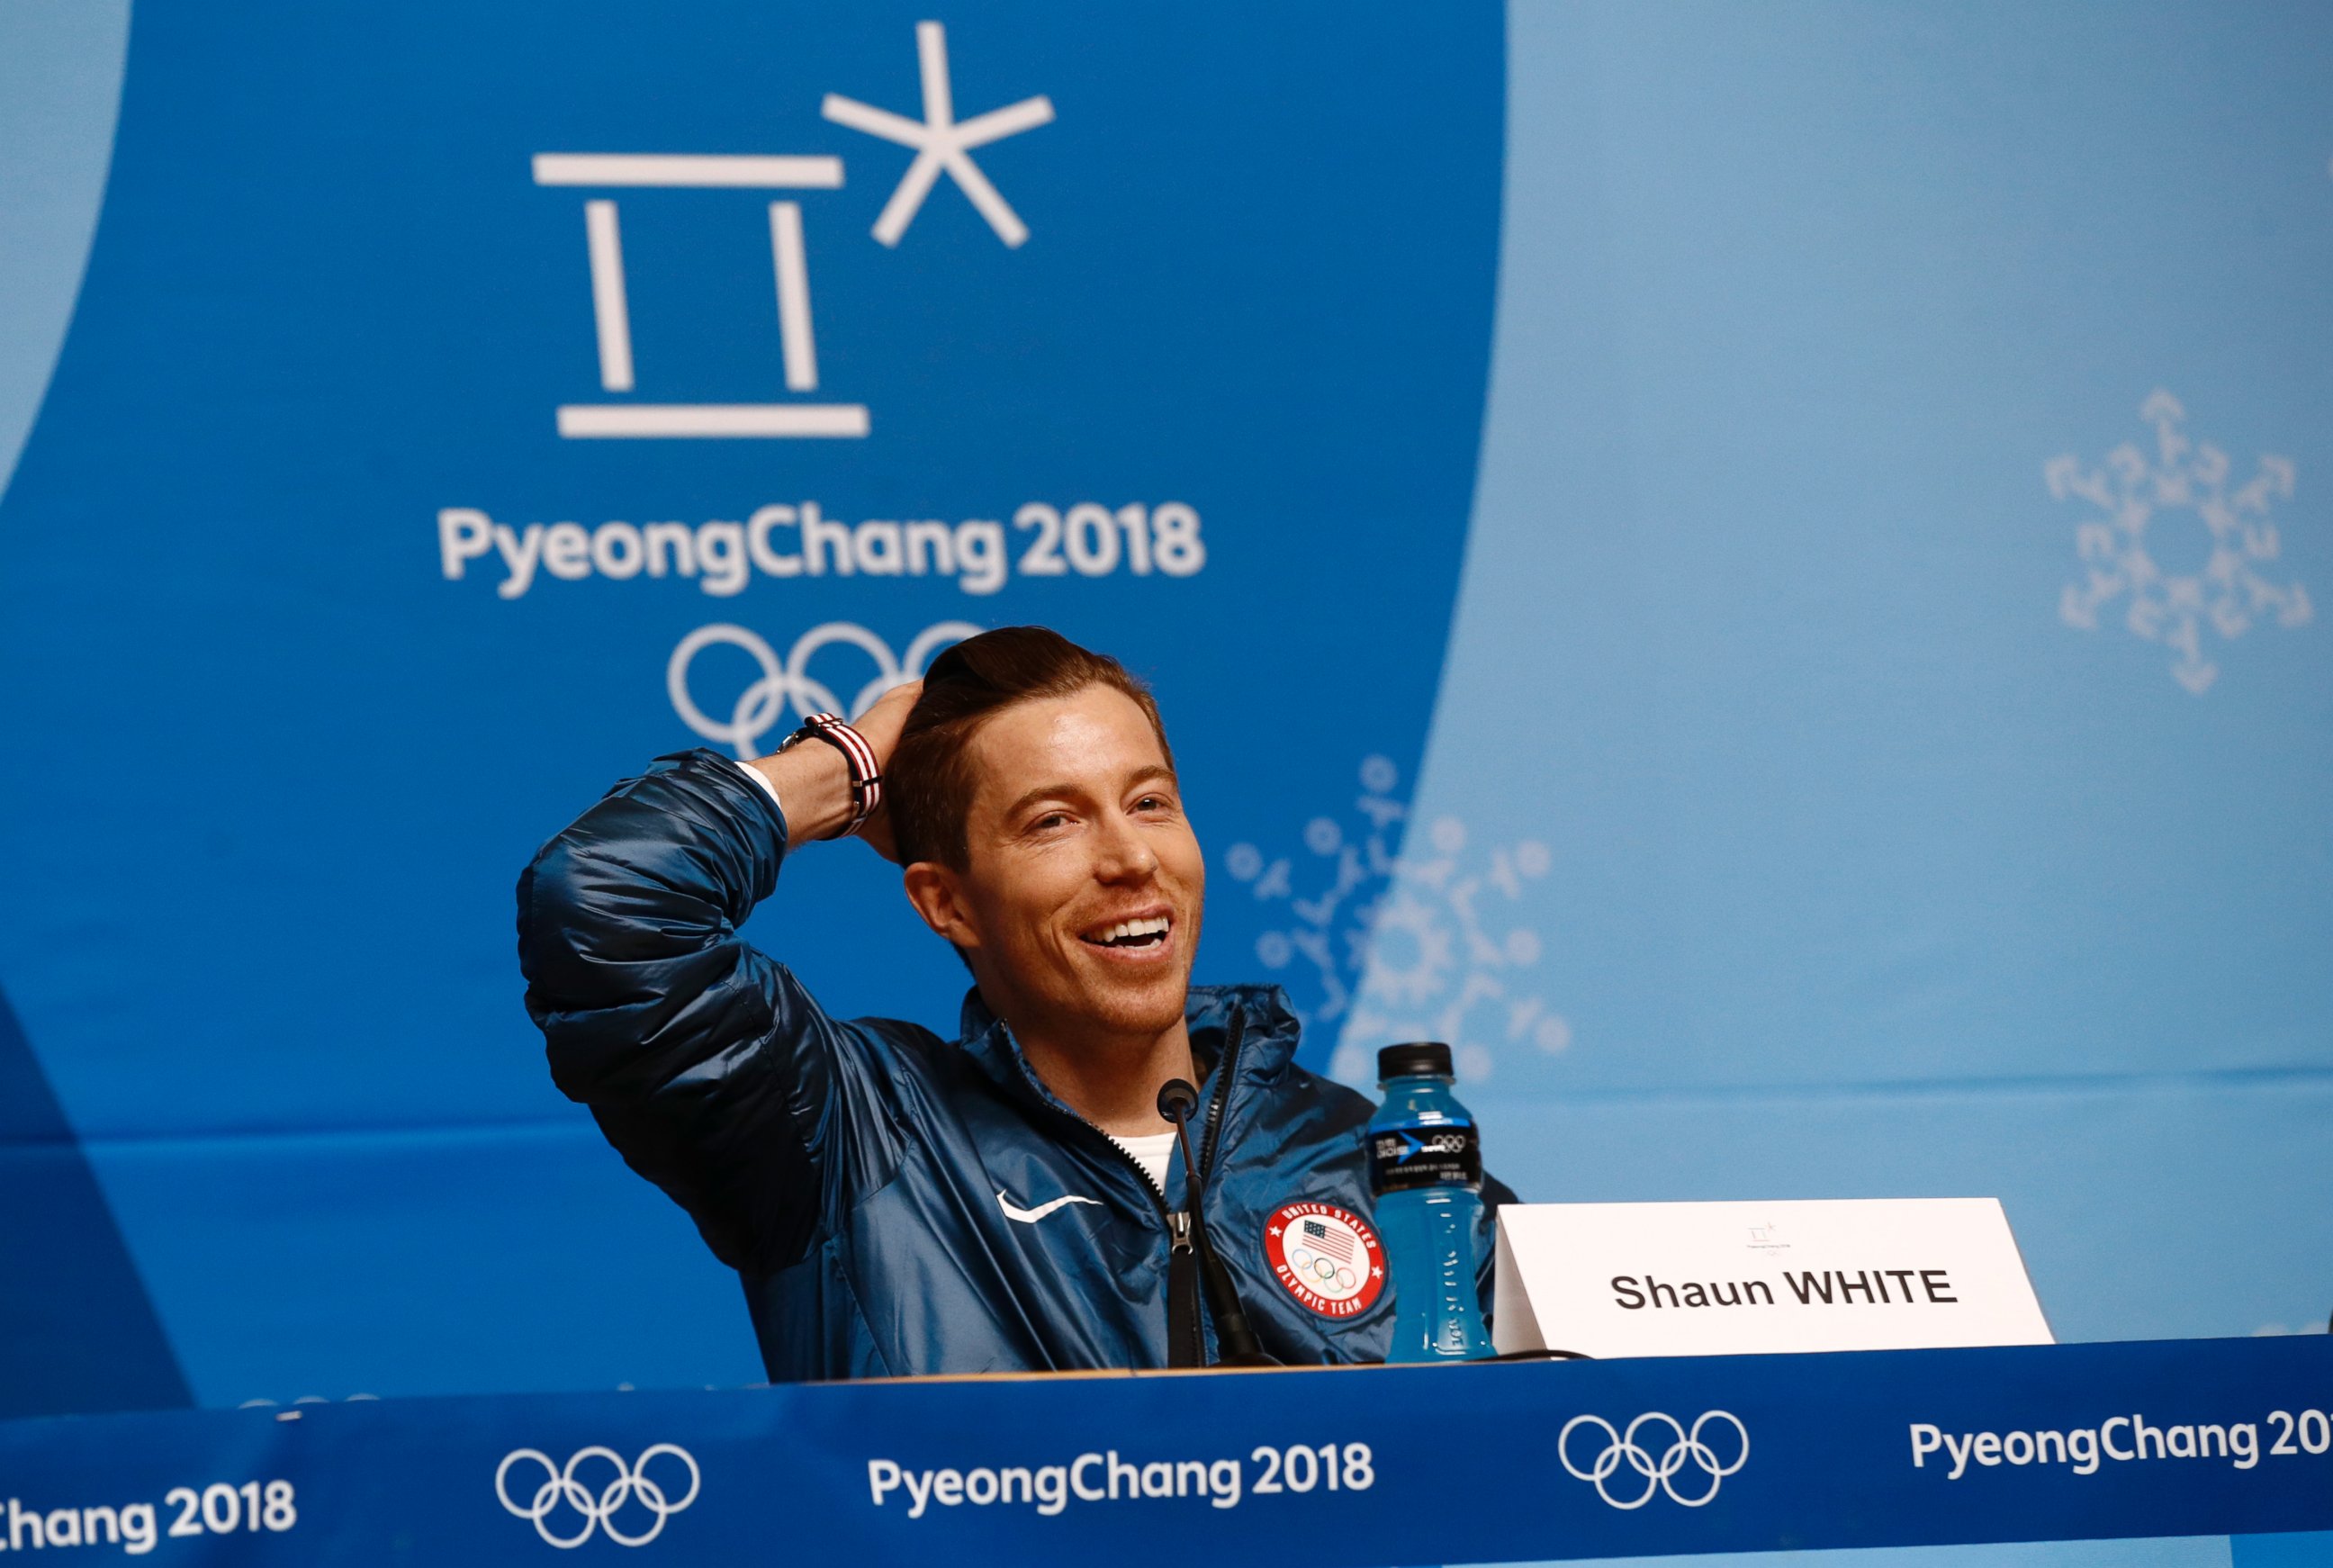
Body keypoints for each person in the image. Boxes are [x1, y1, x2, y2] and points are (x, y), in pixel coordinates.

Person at [517, 626, 1509, 1380]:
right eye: (1053, 820)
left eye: (1151, 800)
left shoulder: (1382, 1159)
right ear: (944, 900)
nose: (1129, 857)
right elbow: (605, 908)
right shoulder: (848, 1133)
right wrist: (848, 767)